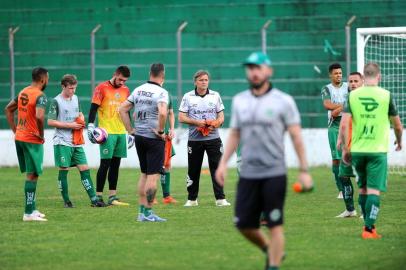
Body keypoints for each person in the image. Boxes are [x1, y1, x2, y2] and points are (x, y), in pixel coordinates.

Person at [215, 52, 313, 270]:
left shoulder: (283, 101)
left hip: (274, 174)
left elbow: (296, 136)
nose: (254, 72)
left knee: (275, 225)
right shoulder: (240, 100)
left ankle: (273, 265)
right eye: (250, 68)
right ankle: (271, 249)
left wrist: (304, 170)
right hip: (248, 174)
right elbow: (234, 134)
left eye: (258, 67)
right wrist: (222, 164)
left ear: (269, 71)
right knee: (243, 225)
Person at [342, 62, 403, 239]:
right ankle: (369, 229)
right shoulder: (386, 95)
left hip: (358, 150)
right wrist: (399, 142)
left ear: (363, 76)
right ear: (379, 76)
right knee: (374, 190)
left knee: (362, 189)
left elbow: (345, 123)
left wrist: (346, 148)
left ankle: (367, 223)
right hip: (377, 151)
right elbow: (398, 126)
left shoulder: (353, 96)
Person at [119, 63, 169, 222]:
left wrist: (130, 130)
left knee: (144, 174)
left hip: (139, 136)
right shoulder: (162, 92)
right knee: (152, 177)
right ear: (163, 75)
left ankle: (141, 212)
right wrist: (161, 131)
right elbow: (162, 113)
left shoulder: (138, 90)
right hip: (153, 139)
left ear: (150, 73)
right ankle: (148, 212)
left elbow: (122, 109)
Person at [48, 74, 105, 208]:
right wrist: (70, 125)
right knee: (64, 169)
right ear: (63, 86)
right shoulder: (56, 101)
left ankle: (94, 199)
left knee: (85, 168)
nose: (73, 91)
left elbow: (79, 113)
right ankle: (67, 201)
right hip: (62, 141)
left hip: (76, 140)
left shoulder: (76, 98)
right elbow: (50, 121)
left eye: (74, 88)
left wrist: (81, 119)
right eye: (70, 88)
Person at [178, 70, 231, 207]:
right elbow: (181, 117)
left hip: (214, 139)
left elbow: (221, 117)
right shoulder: (188, 96)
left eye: (206, 80)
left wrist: (215, 123)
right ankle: (192, 199)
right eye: (201, 80)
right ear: (195, 81)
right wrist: (197, 123)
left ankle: (220, 199)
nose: (204, 82)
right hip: (195, 140)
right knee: (193, 169)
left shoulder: (215, 95)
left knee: (217, 168)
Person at [4, 67, 49, 221]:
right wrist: (41, 134)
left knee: (32, 173)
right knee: (32, 174)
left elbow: (8, 109)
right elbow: (39, 116)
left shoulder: (23, 91)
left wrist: (15, 131)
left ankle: (32, 208)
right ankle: (28, 213)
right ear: (43, 79)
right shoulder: (40, 96)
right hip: (32, 139)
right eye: (47, 78)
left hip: (21, 137)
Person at [87, 66, 131, 206]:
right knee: (105, 164)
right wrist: (90, 125)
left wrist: (130, 131)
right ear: (115, 74)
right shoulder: (101, 88)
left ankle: (112, 197)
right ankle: (98, 197)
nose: (122, 83)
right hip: (106, 133)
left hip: (120, 132)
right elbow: (93, 108)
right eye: (120, 79)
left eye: (124, 80)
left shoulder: (125, 90)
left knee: (116, 165)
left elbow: (127, 111)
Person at [335, 72, 364, 218]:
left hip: (361, 146)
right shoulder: (348, 98)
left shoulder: (365, 99)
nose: (353, 83)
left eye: (356, 81)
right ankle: (350, 209)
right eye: (350, 81)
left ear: (362, 82)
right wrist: (340, 138)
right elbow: (344, 121)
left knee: (362, 180)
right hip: (349, 144)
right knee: (343, 176)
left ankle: (364, 211)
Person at [321, 63, 349, 199]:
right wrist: (344, 105)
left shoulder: (348, 87)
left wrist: (337, 108)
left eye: (340, 73)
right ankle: (341, 189)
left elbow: (354, 101)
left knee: (351, 156)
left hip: (349, 123)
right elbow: (327, 105)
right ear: (330, 75)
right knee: (337, 158)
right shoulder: (326, 89)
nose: (339, 75)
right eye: (336, 73)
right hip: (334, 125)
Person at [160, 94, 177, 204]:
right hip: (153, 136)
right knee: (152, 167)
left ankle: (166, 196)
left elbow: (170, 113)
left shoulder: (166, 95)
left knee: (167, 164)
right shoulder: (147, 95)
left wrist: (171, 129)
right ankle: (149, 196)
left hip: (166, 136)